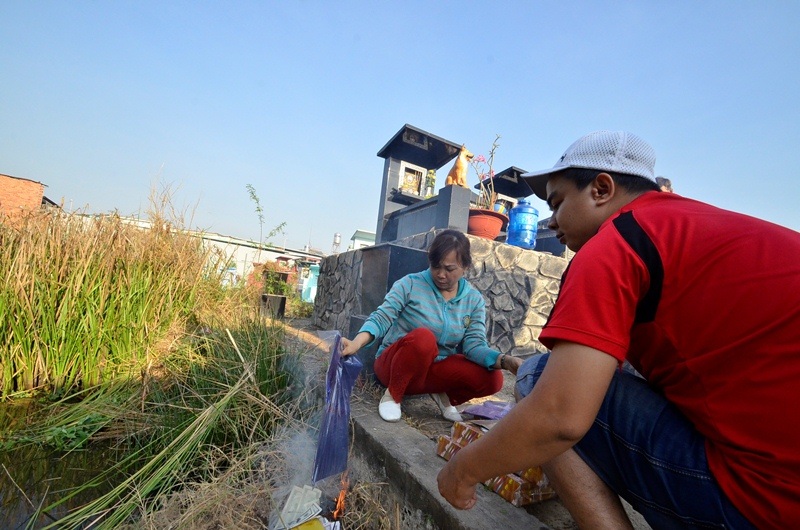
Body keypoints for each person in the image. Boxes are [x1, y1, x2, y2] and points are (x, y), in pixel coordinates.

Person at [437, 130, 800, 529]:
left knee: (539, 378)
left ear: (601, 189)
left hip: (761, 502)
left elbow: (560, 417)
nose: (552, 221)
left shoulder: (616, 244)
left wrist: (463, 470)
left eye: (557, 203)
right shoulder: (704, 226)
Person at [340, 229, 522, 423]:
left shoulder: (473, 300)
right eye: (436, 266)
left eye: (449, 269)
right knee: (423, 339)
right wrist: (356, 343)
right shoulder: (410, 284)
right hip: (394, 365)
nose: (441, 274)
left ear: (465, 267)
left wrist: (504, 361)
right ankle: (393, 395)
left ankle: (442, 395)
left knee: (493, 379)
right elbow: (382, 317)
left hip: (434, 369)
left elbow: (474, 346)